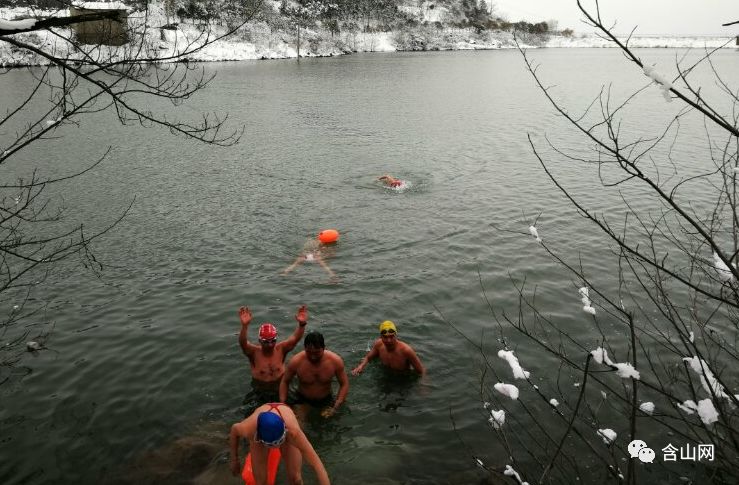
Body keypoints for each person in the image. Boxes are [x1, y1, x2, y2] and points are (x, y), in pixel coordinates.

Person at [229, 402, 331, 485]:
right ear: (259, 436)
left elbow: (318, 465)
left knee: (295, 479)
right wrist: (234, 459)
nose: (276, 447)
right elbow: (234, 430)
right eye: (272, 445)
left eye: (280, 442)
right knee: (261, 482)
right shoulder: (249, 429)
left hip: (284, 423)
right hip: (261, 435)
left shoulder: (293, 433)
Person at [239, 305, 309, 408]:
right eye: (266, 342)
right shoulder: (253, 352)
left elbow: (295, 338)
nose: (270, 344)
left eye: (273, 341)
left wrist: (302, 324)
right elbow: (243, 343)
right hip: (260, 391)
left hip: (281, 388)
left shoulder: (281, 349)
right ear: (260, 341)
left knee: (298, 407)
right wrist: (244, 326)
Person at [279, 331, 349, 419]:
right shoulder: (296, 361)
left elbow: (344, 384)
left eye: (316, 353)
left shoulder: (335, 361)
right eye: (309, 352)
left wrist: (336, 406)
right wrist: (283, 404)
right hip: (303, 400)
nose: (313, 356)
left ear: (324, 348)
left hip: (326, 399)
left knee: (328, 425)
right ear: (304, 348)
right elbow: (285, 381)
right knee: (299, 425)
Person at [351, 320, 426, 376]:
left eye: (391, 336)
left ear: (396, 335)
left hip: (402, 380)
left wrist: (423, 387)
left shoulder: (406, 351)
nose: (388, 340)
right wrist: (360, 366)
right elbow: (368, 357)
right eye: (385, 337)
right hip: (384, 374)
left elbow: (421, 371)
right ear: (381, 337)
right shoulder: (379, 344)